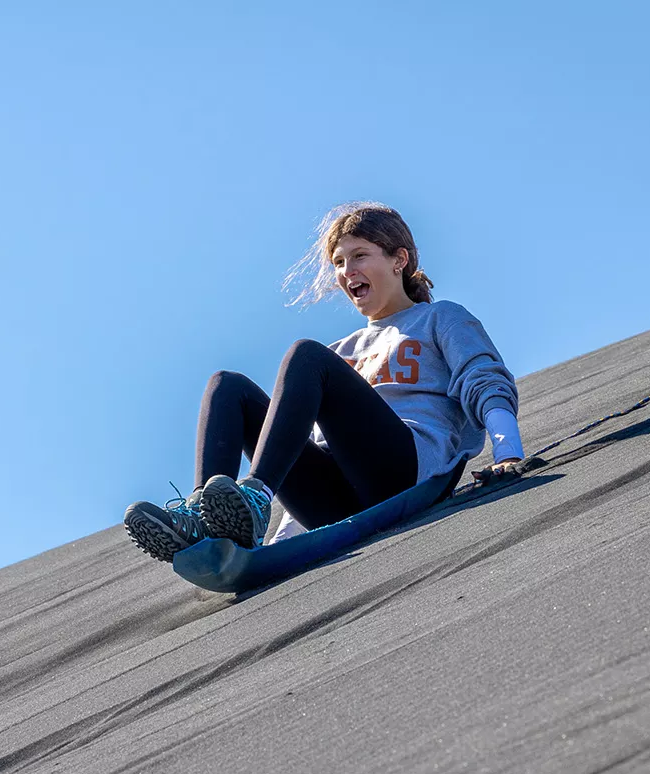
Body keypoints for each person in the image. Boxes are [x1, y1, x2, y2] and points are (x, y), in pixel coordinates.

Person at [124, 202, 525, 562]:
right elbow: (305, 446)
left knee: (306, 355)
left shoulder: (438, 319)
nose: (347, 272)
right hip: (337, 499)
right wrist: (283, 544)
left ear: (399, 259)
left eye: (360, 256)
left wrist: (508, 452)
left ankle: (255, 498)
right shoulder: (340, 350)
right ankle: (204, 521)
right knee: (226, 386)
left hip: (405, 472)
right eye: (338, 262)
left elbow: (483, 379)